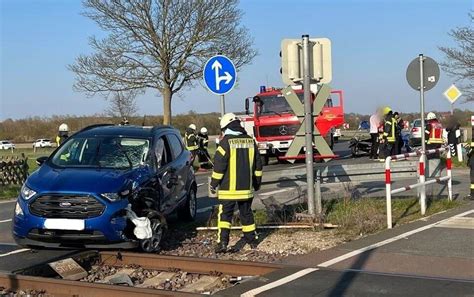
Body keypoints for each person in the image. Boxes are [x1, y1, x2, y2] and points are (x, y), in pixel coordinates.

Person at [210, 113, 263, 253]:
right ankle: (252, 241)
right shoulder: (251, 141)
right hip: (246, 189)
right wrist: (257, 183)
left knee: (225, 216)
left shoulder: (225, 142)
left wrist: (214, 183)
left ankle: (222, 243)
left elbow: (219, 167)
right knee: (246, 214)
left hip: (228, 190)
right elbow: (258, 165)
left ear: (226, 127)